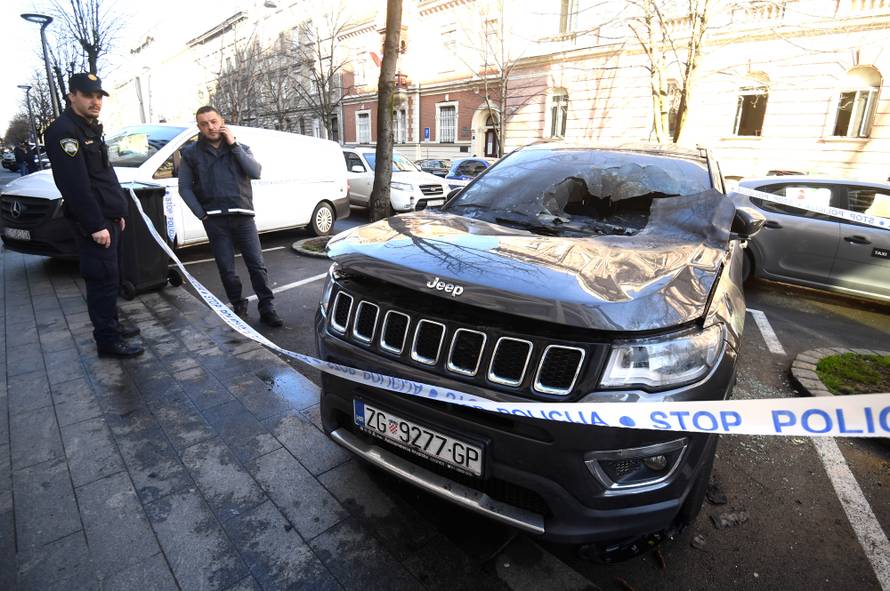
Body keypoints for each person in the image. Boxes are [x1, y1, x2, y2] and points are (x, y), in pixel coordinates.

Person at [44, 73, 143, 358]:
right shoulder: (65, 131)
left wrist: (116, 212)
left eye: (98, 96)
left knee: (111, 278)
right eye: (88, 95)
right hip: (94, 222)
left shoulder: (88, 128)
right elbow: (74, 185)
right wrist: (95, 224)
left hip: (107, 217)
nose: (95, 101)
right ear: (71, 95)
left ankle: (112, 326)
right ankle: (108, 341)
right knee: (101, 281)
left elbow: (102, 175)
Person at [178, 105, 283, 327]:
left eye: (214, 121)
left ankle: (267, 307)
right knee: (226, 269)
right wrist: (202, 215)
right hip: (215, 221)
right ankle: (238, 305)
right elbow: (184, 188)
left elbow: (255, 172)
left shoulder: (240, 148)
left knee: (257, 265)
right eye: (204, 124)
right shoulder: (190, 154)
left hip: (243, 217)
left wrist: (233, 144)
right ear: (198, 127)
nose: (210, 127)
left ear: (221, 121)